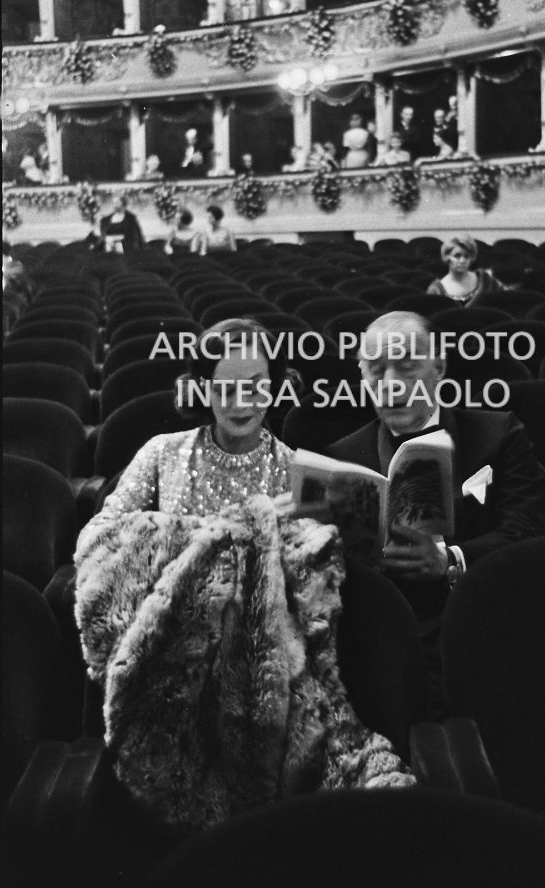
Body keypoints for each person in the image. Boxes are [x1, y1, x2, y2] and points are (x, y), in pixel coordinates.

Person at [74, 318, 414, 834]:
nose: (241, 400)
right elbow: (100, 539)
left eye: (255, 384)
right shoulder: (162, 453)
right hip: (175, 661)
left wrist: (302, 533)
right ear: (202, 388)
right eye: (225, 386)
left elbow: (317, 587)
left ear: (274, 388)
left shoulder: (297, 470)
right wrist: (224, 535)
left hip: (264, 671)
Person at [326, 311, 545, 715]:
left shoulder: (497, 432)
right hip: (387, 642)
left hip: (481, 625)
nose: (391, 384)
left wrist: (451, 561)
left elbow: (531, 527)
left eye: (407, 367)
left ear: (440, 367)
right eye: (375, 370)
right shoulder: (342, 458)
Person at [426, 235, 504, 304]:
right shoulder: (436, 290)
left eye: (466, 256)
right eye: (457, 256)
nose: (462, 260)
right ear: (447, 257)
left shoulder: (486, 280)